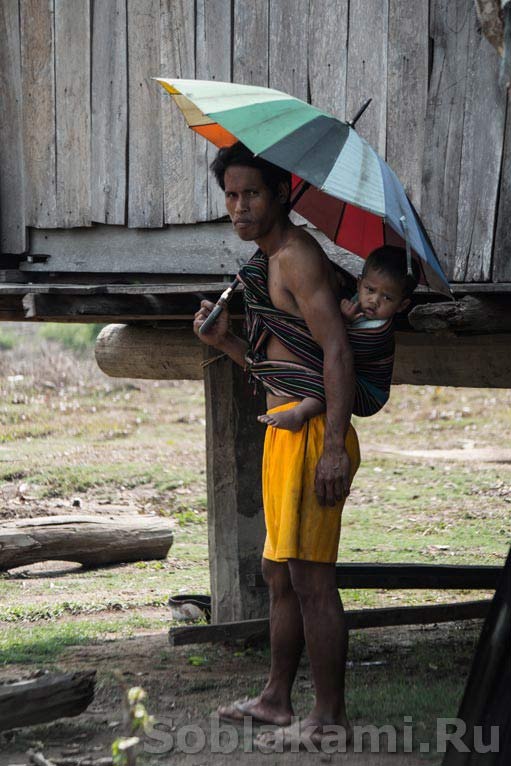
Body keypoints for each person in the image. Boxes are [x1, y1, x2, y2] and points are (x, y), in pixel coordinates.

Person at [192, 141, 387, 750]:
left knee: (311, 580)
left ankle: (329, 716)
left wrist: (333, 448)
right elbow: (282, 365)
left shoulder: (298, 257)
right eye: (231, 195)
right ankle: (276, 700)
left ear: (281, 194)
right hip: (284, 432)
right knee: (280, 576)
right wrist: (224, 341)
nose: (239, 206)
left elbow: (334, 350)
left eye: (251, 193)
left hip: (312, 441)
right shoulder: (270, 260)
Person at [256, 247, 419, 433]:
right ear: (359, 284)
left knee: (332, 374)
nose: (374, 300)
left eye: (387, 297)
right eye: (370, 290)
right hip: (355, 373)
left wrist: (343, 320)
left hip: (369, 393)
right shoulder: (359, 299)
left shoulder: (378, 332)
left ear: (402, 305)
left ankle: (299, 414)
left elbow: (337, 344)